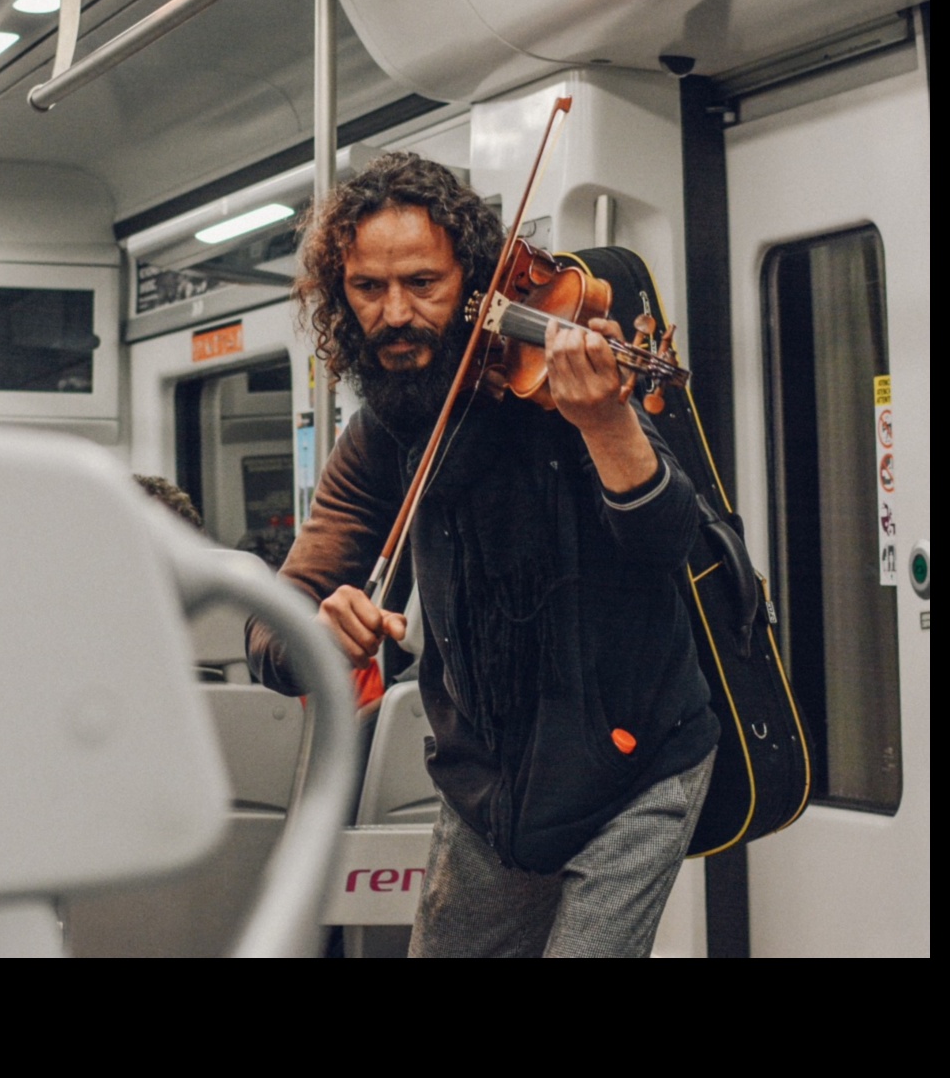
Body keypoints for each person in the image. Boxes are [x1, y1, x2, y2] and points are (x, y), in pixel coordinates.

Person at [246, 151, 718, 958]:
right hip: (485, 785)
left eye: (422, 283)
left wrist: (607, 423)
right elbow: (274, 625)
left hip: (633, 763)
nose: (396, 313)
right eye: (367, 288)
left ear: (473, 282)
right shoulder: (383, 436)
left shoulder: (563, 393)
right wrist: (312, 634)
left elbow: (671, 542)